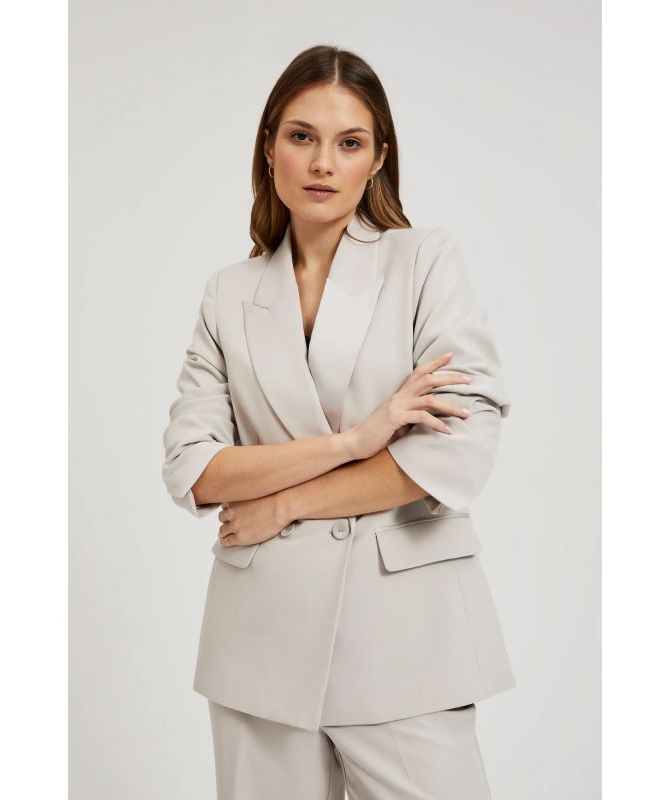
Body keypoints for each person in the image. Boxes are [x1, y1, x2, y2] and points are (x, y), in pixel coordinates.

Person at [161, 44, 515, 800]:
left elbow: (455, 453)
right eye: (302, 136)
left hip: (407, 639)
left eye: (349, 142)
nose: (323, 163)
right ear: (269, 147)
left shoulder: (424, 262)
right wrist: (356, 440)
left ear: (378, 158)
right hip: (260, 645)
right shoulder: (227, 295)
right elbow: (194, 468)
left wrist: (283, 502)